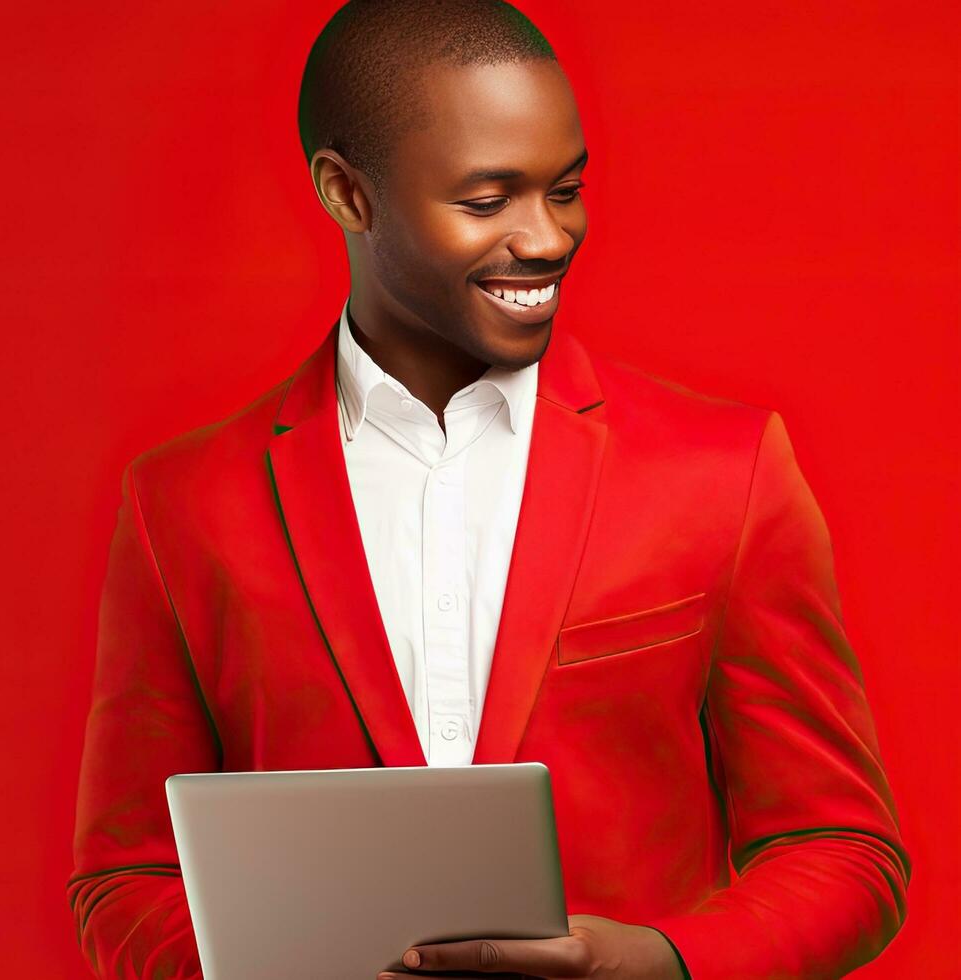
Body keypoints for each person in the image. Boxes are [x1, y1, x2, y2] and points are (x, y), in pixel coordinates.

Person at [65, 2, 910, 978]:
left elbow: (846, 850)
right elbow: (121, 880)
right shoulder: (182, 505)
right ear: (347, 194)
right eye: (486, 199)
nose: (546, 237)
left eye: (564, 189)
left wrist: (663, 962)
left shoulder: (723, 470)